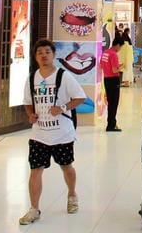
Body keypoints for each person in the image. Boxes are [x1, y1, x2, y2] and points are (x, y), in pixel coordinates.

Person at [20, 39, 86, 225]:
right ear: (35, 57)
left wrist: (62, 107)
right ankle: (34, 209)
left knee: (66, 166)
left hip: (62, 133)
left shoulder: (64, 76)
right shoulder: (31, 79)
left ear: (54, 55)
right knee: (35, 170)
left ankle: (72, 194)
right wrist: (30, 114)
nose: (44, 56)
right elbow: (27, 102)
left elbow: (80, 97)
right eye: (40, 53)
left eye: (47, 52)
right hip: (39, 134)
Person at [100, 38, 123, 132]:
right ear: (117, 45)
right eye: (120, 47)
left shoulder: (105, 52)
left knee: (110, 103)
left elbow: (101, 65)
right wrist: (122, 67)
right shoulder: (113, 54)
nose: (120, 49)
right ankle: (111, 125)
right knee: (114, 103)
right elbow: (114, 70)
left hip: (106, 79)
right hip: (114, 80)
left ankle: (111, 123)